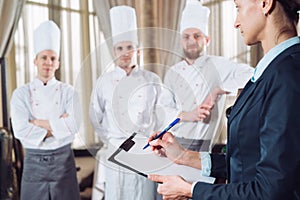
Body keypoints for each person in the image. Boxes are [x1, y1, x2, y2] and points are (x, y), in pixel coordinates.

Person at [147, 0, 300, 199]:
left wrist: (189, 190)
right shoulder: (274, 71)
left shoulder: (286, 76)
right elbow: (248, 164)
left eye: (238, 7)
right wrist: (184, 156)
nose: (236, 22)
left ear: (265, 3)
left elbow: (269, 190)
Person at [159, 0, 254, 152]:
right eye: (186, 36)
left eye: (197, 36)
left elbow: (252, 74)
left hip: (204, 146)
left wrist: (219, 89)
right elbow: (163, 109)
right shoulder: (173, 72)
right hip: (174, 141)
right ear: (180, 41)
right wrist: (188, 115)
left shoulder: (218, 65)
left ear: (207, 40)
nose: (191, 41)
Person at [89, 5, 161, 200]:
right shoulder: (103, 82)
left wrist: (151, 141)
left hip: (143, 152)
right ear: (114, 51)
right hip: (116, 153)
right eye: (120, 48)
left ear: (137, 50)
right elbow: (95, 116)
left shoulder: (151, 79)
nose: (125, 52)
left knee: (143, 195)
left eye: (130, 47)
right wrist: (111, 140)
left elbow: (163, 113)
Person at [10, 20, 81, 200]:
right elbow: (20, 130)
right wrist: (58, 126)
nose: (48, 63)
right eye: (44, 58)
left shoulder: (69, 92)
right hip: (34, 163)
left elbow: (74, 126)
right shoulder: (21, 94)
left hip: (63, 162)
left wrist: (39, 124)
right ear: (35, 60)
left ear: (58, 63)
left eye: (53, 58)